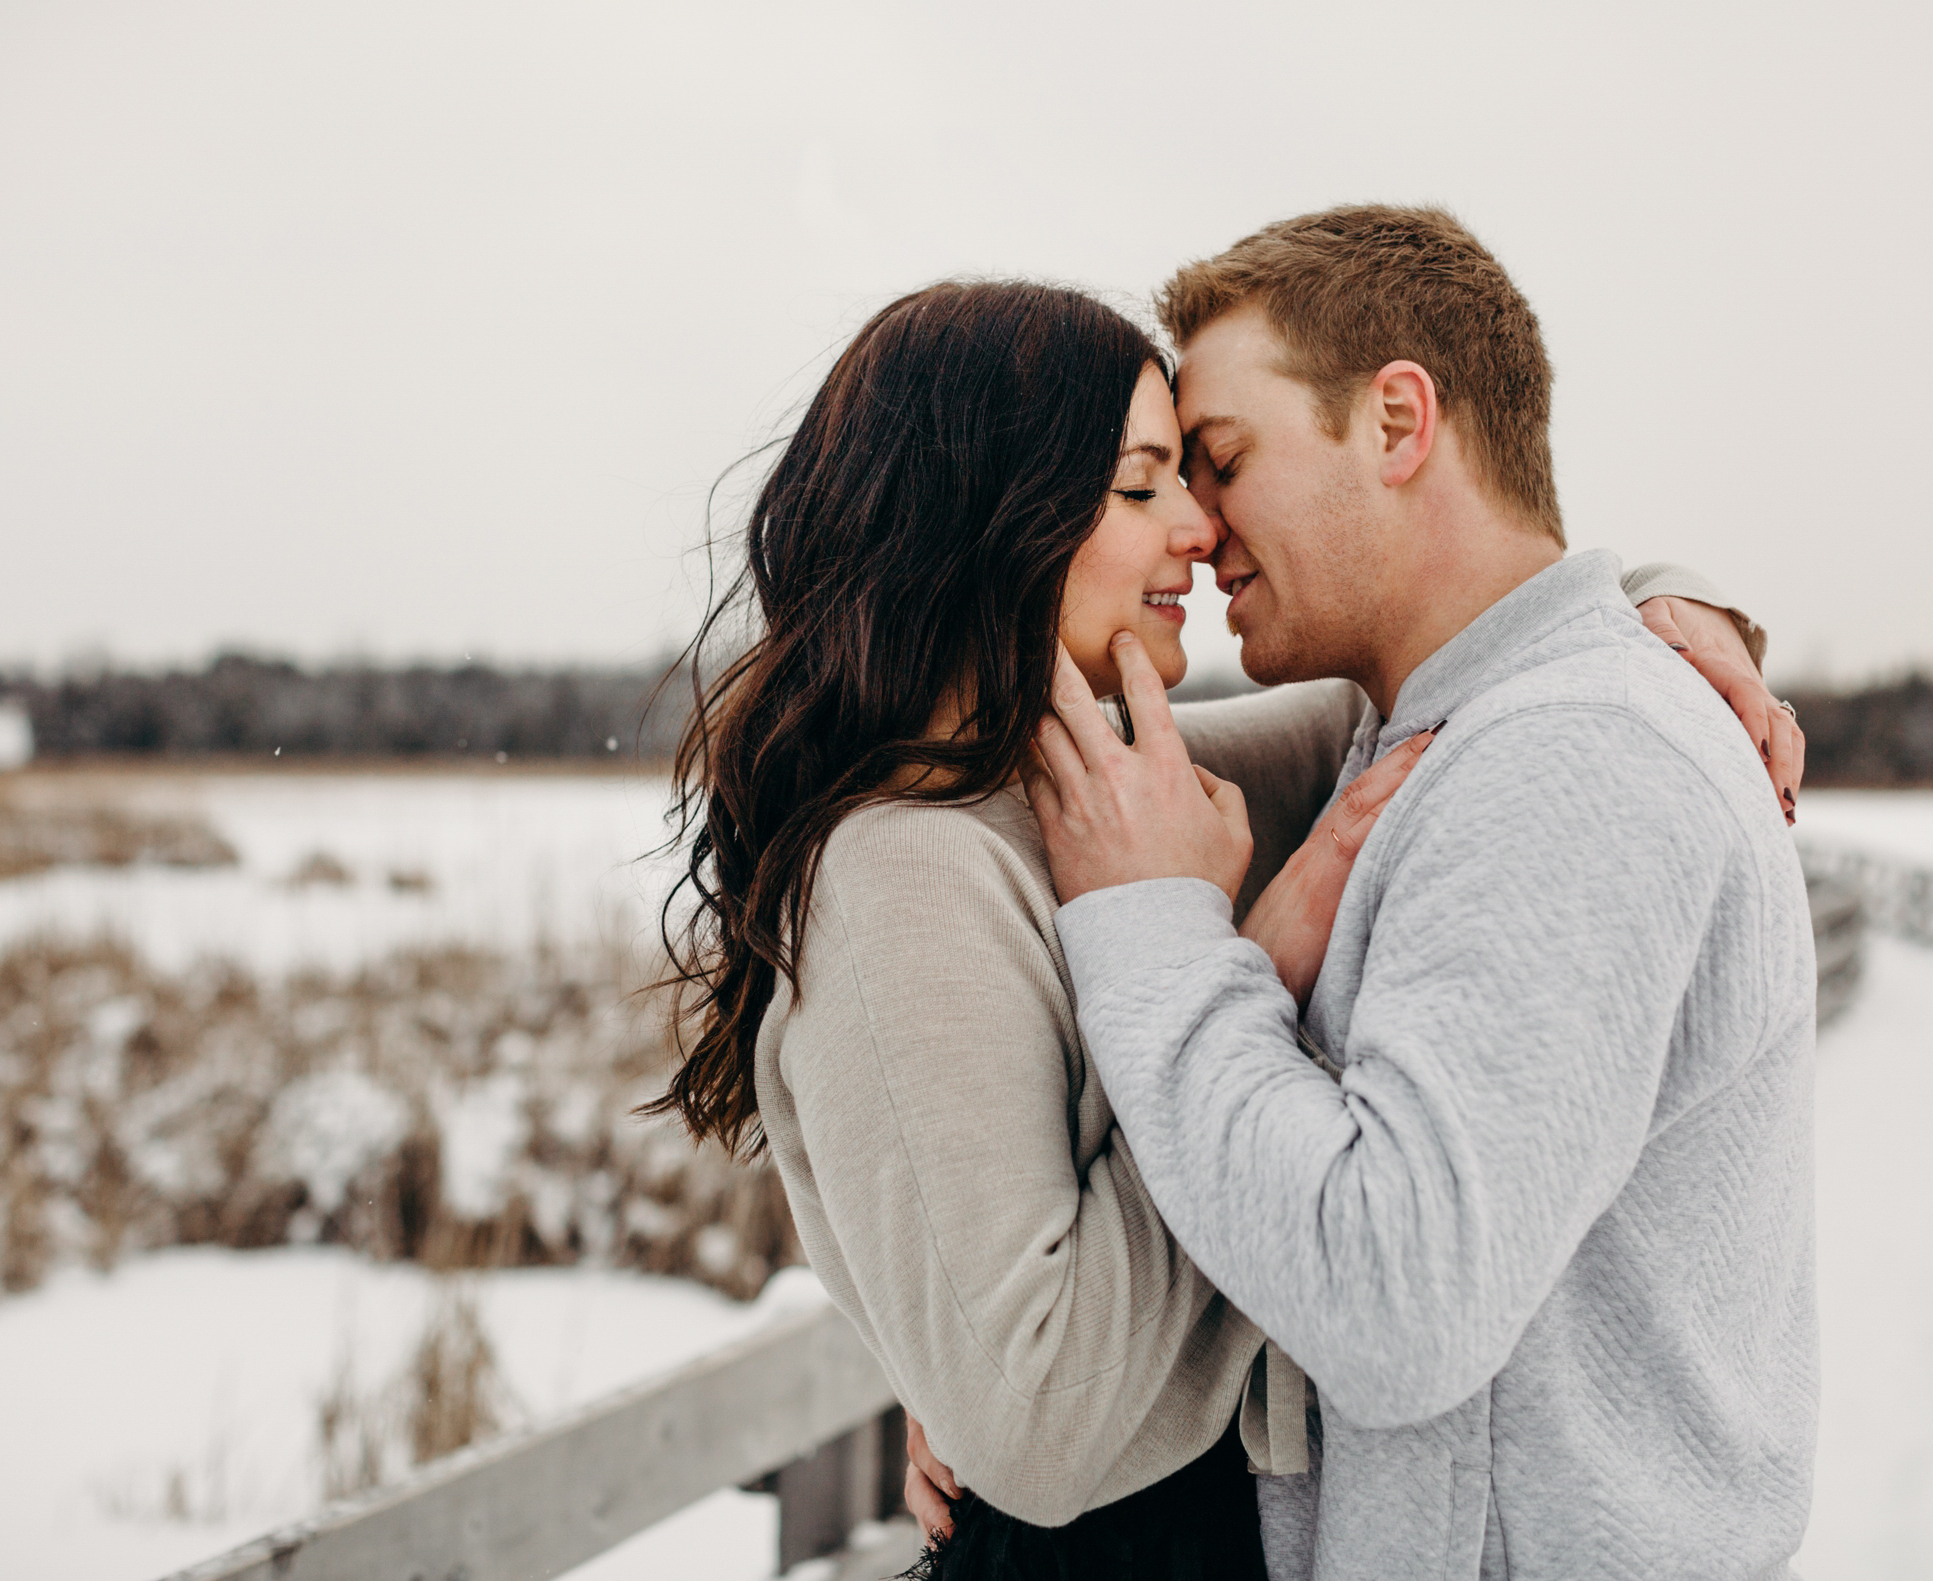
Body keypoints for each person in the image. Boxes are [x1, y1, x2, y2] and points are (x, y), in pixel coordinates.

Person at [651, 277, 1788, 1578]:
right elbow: (1033, 1420)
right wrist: (1237, 958)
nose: (1199, 526)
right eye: (1144, 486)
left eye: (1199, 473)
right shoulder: (901, 872)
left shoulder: (1104, 788)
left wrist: (1663, 600)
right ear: (990, 518)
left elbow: (1460, 651)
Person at [1023, 206, 1819, 1581]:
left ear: (1398, 423)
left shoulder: (1575, 758)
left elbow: (1400, 1299)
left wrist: (1159, 939)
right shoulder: (1441, 729)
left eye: (1220, 463)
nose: (1196, 532)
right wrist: (1015, 1386)